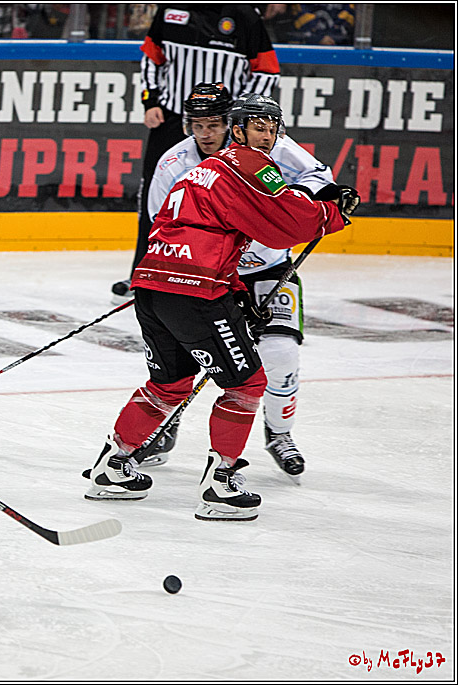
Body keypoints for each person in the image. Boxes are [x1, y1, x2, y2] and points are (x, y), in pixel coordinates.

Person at [85, 94, 360, 521]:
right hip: (195, 291)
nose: (266, 136)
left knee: (169, 384)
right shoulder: (250, 164)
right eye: (258, 127)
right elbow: (284, 223)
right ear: (238, 130)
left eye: (272, 128)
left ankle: (111, 467)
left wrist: (230, 291)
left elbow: (193, 230)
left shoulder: (204, 169)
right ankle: (220, 485)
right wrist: (331, 213)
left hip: (153, 284)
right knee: (247, 384)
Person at [137, 83, 337, 481]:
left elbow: (320, 178)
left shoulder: (269, 145)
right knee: (187, 359)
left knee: (280, 354)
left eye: (214, 124)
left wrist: (289, 202)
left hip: (267, 269)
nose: (206, 133)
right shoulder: (173, 162)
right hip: (208, 276)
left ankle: (279, 434)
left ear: (231, 124)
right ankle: (167, 421)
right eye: (197, 125)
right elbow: (162, 223)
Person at [111, 4, 281, 302]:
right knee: (156, 197)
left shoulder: (244, 16)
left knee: (232, 196)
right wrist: (151, 101)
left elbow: (267, 71)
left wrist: (243, 118)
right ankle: (146, 273)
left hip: (225, 125)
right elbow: (152, 56)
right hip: (173, 118)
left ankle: (227, 274)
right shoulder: (170, 9)